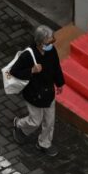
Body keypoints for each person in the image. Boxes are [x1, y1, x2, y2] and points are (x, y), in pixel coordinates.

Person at [10, 25, 66, 157]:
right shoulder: (28, 55)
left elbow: (56, 67)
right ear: (40, 43)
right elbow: (14, 71)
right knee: (35, 121)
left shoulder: (51, 51)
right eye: (48, 42)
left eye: (52, 41)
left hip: (48, 92)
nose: (51, 44)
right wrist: (31, 71)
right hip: (34, 94)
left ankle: (44, 143)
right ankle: (19, 125)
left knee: (49, 121)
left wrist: (59, 83)